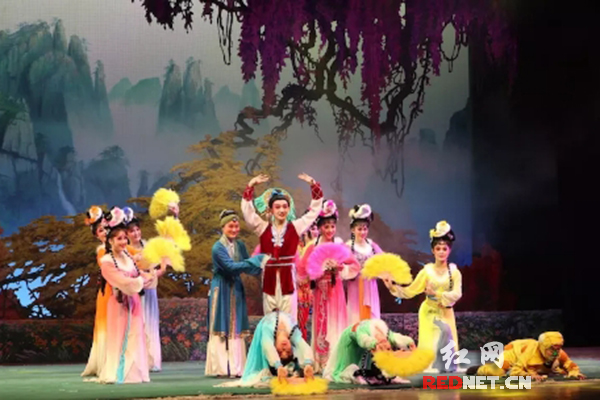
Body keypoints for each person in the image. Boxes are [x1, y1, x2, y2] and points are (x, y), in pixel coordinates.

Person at [383, 220, 462, 373]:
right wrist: (392, 287)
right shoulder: (427, 271)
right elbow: (410, 291)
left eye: (444, 248)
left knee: (447, 356)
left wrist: (436, 294)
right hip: (429, 313)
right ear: (433, 250)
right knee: (431, 358)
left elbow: (457, 294)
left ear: (449, 250)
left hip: (446, 312)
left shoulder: (454, 272)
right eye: (438, 248)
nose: (441, 252)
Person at [241, 173, 323, 316]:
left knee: (289, 319)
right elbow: (248, 214)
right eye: (277, 207)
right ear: (271, 210)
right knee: (270, 319)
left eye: (285, 207)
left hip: (288, 278)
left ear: (289, 209)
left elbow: (314, 211)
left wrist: (313, 185)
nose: (281, 210)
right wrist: (250, 186)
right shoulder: (263, 228)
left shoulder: (296, 227)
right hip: (269, 277)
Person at [205, 210, 269, 377]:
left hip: (236, 288)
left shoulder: (239, 246)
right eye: (230, 226)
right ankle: (221, 368)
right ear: (223, 227)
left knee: (236, 325)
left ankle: (237, 367)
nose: (234, 229)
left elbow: (249, 266)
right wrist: (256, 260)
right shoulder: (217, 248)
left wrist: (264, 263)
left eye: (236, 226)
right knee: (222, 325)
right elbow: (231, 267)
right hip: (222, 287)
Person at [299, 199, 360, 372]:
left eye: (332, 226)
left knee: (336, 322)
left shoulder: (339, 245)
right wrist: (316, 272)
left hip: (336, 290)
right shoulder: (312, 246)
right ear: (319, 227)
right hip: (319, 291)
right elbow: (302, 272)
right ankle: (322, 362)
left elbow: (355, 266)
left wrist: (340, 268)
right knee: (321, 324)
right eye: (326, 226)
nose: (330, 230)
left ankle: (337, 360)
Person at [96, 207, 151, 384]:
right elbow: (123, 282)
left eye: (124, 238)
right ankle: (119, 373)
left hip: (134, 301)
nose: (123, 242)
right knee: (119, 337)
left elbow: (137, 273)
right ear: (110, 240)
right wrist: (140, 281)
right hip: (119, 304)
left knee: (136, 335)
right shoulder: (107, 262)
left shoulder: (127, 256)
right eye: (119, 238)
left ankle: (135, 373)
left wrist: (147, 277)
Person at [217, 311, 314, 387]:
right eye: (288, 351)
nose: (284, 348)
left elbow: (268, 347)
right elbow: (303, 345)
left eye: (280, 351)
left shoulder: (268, 332)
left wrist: (278, 366)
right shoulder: (292, 331)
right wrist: (308, 364)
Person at [323, 318, 415, 385]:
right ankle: (356, 375)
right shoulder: (363, 330)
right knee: (351, 368)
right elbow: (363, 339)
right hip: (350, 344)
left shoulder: (384, 332)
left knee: (378, 360)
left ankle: (383, 374)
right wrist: (374, 343)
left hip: (371, 342)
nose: (385, 345)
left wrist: (409, 342)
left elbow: (395, 337)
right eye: (384, 345)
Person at [467, 331, 586, 381]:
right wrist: (529, 376)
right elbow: (514, 372)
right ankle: (481, 369)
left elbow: (570, 364)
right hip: (513, 352)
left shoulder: (558, 353)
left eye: (558, 348)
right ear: (543, 347)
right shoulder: (530, 353)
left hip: (533, 362)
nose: (555, 352)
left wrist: (574, 372)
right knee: (496, 372)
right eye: (551, 349)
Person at [81, 206, 111, 378]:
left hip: (122, 291)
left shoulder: (121, 245)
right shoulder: (101, 250)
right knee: (106, 327)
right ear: (96, 235)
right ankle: (105, 362)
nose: (104, 232)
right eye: (100, 230)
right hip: (108, 291)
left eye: (106, 228)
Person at [346, 204, 383, 324]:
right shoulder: (348, 246)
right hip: (355, 287)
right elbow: (342, 268)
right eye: (359, 229)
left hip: (371, 286)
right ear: (353, 230)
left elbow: (384, 262)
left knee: (372, 319)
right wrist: (353, 271)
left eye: (365, 229)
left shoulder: (372, 246)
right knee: (356, 317)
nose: (362, 232)